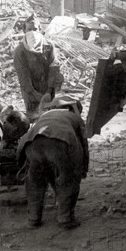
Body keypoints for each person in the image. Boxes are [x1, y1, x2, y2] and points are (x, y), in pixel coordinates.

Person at [17, 93, 89, 229]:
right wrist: (83, 168)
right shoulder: (75, 118)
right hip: (60, 142)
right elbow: (84, 144)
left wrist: (20, 162)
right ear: (73, 107)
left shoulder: (44, 116)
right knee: (69, 179)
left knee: (35, 182)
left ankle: (34, 219)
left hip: (32, 144)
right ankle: (65, 219)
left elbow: (25, 138)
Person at [13, 14, 63, 120]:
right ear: (24, 31)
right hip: (30, 91)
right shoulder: (20, 51)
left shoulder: (49, 46)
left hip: (47, 88)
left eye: (35, 29)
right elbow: (23, 76)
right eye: (29, 29)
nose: (32, 32)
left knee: (49, 119)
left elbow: (54, 68)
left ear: (40, 29)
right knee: (33, 118)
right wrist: (35, 94)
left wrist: (49, 91)